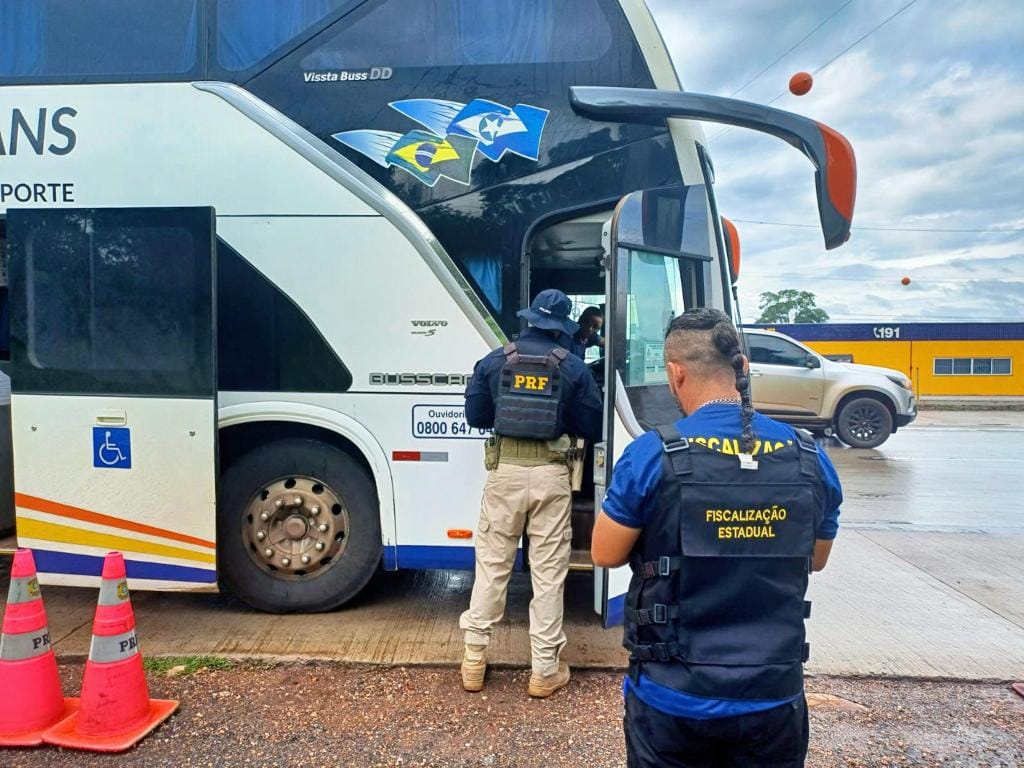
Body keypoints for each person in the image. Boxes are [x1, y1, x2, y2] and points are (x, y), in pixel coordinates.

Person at [591, 308, 842, 767]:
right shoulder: (809, 456)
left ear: (675, 372)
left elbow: (605, 553)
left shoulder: (651, 454)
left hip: (673, 697)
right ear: (742, 368)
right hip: (773, 695)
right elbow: (817, 558)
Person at [460, 288, 603, 698]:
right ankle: (543, 670)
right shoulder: (572, 366)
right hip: (551, 477)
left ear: (527, 320)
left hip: (504, 474)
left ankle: (473, 659)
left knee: (492, 566)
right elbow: (591, 425)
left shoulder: (494, 360)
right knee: (548, 575)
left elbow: (475, 415)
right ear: (560, 328)